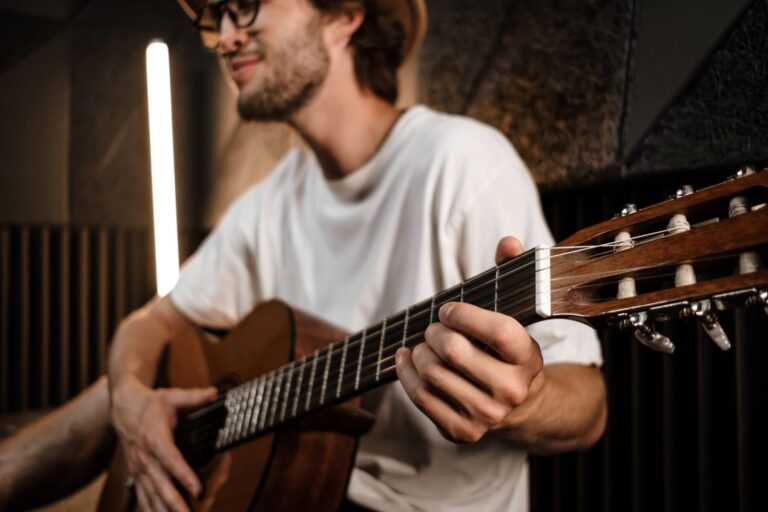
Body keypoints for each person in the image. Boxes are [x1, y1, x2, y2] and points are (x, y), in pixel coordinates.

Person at [0, 0, 606, 510]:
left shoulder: (463, 163)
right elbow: (152, 322)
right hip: (299, 495)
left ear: (345, 14)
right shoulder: (271, 202)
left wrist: (523, 402)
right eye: (217, 18)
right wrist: (133, 405)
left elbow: (588, 404)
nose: (226, 37)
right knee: (131, 386)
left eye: (248, 6)